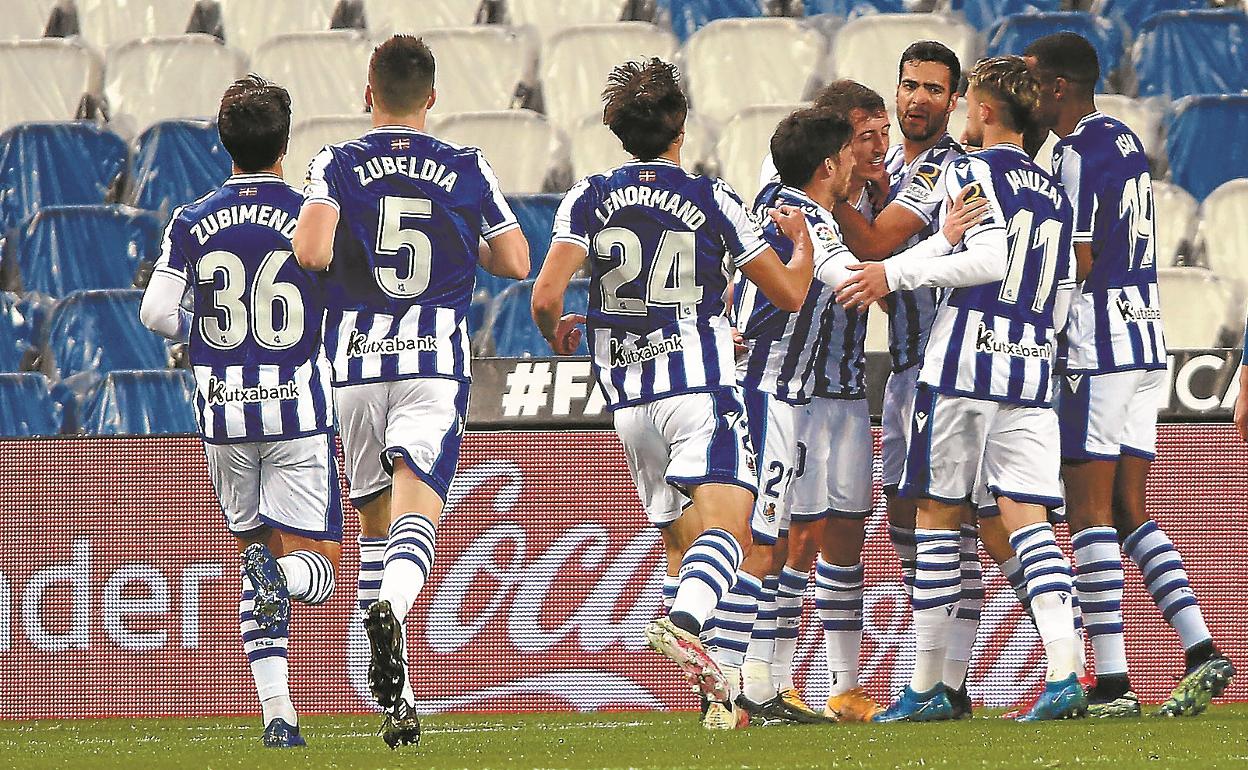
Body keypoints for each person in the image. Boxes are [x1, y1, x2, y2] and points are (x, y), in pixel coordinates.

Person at [531, 57, 814, 730]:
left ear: (618, 132)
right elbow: (790, 293)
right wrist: (800, 245)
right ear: (681, 125)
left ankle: (715, 701)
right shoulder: (712, 198)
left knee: (682, 549)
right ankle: (684, 625)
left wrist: (562, 331)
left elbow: (545, 298)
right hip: (697, 385)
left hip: (627, 402)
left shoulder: (588, 197)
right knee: (735, 533)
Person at [292, 35, 530, 748]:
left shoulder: (335, 161)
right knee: (417, 503)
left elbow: (310, 252)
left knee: (373, 530)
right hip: (432, 360)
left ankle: (395, 703)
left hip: (357, 363)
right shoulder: (463, 165)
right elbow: (516, 261)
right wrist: (464, 244)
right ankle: (393, 611)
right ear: (431, 97)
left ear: (368, 94)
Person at [838, 55, 1083, 723]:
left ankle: (925, 688)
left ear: (981, 110)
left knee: (938, 519)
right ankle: (1066, 672)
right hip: (1031, 363)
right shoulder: (1054, 190)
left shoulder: (969, 170)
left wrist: (894, 277)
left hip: (967, 359)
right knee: (1027, 524)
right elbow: (1063, 288)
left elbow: (988, 255)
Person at [1025, 32, 1234, 717]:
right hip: (1146, 338)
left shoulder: (1077, 154)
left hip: (1098, 345)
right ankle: (1201, 647)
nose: (1026, 91)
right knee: (1128, 510)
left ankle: (1112, 684)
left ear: (1056, 87)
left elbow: (1079, 260)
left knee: (1086, 510)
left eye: (1032, 80)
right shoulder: (1123, 139)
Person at [139, 74, 341, 749]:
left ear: (223, 145)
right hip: (296, 413)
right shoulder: (313, 212)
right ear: (286, 144)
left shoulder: (191, 219)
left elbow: (156, 312)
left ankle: (278, 715)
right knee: (317, 569)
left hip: (224, 417)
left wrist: (216, 334)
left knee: (254, 553)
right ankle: (279, 576)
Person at [715, 105, 857, 727]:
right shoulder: (811, 219)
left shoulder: (766, 200)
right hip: (766, 395)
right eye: (851, 151)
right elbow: (844, 276)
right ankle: (733, 689)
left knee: (764, 541)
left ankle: (756, 685)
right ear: (828, 164)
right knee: (760, 545)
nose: (858, 162)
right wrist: (945, 245)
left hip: (768, 392)